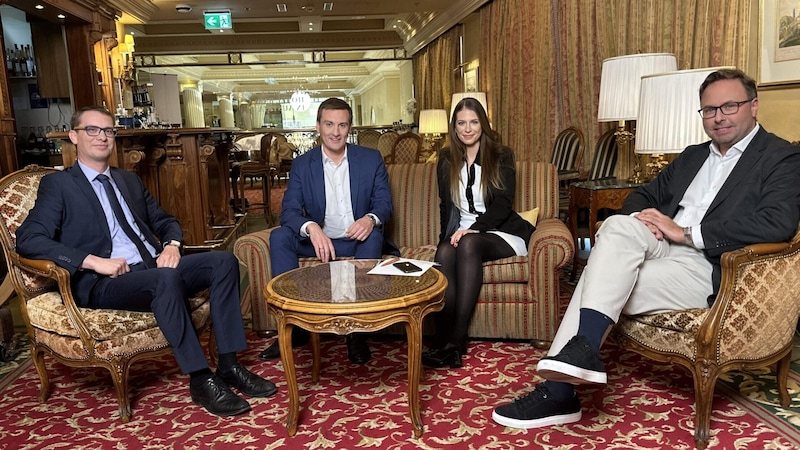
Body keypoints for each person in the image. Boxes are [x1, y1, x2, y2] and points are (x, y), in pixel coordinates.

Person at [492, 68, 800, 429]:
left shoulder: (780, 157)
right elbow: (643, 195)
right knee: (620, 226)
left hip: (712, 264)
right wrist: (644, 222)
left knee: (598, 272)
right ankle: (582, 354)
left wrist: (686, 232)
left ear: (754, 105)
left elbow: (776, 223)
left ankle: (560, 391)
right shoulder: (693, 155)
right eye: (709, 110)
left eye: (729, 106)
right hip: (661, 246)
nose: (718, 117)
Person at [15, 106, 277, 418]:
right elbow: (28, 239)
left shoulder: (128, 180)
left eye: (108, 130)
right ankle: (199, 378)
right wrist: (91, 261)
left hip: (151, 267)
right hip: (104, 282)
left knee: (223, 262)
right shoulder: (59, 185)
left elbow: (166, 221)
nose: (102, 137)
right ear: (74, 137)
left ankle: (230, 366)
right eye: (92, 130)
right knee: (166, 280)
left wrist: (171, 245)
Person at [259, 98, 394, 364]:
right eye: (329, 124)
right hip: (319, 241)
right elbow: (288, 212)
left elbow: (384, 204)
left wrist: (370, 218)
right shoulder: (302, 164)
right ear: (318, 126)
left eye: (342, 125)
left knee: (374, 234)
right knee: (280, 236)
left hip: (355, 241)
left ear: (350, 127)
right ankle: (293, 328)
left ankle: (356, 332)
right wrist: (311, 228)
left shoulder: (370, 159)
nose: (335, 132)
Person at [422, 97, 535, 369]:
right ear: (455, 126)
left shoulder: (501, 154)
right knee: (447, 250)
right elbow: (445, 206)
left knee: (469, 244)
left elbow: (503, 205)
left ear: (483, 124)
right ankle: (442, 338)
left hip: (502, 232)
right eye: (461, 123)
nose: (468, 128)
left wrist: (471, 229)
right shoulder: (446, 158)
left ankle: (457, 341)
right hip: (464, 232)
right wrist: (446, 239)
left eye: (473, 122)